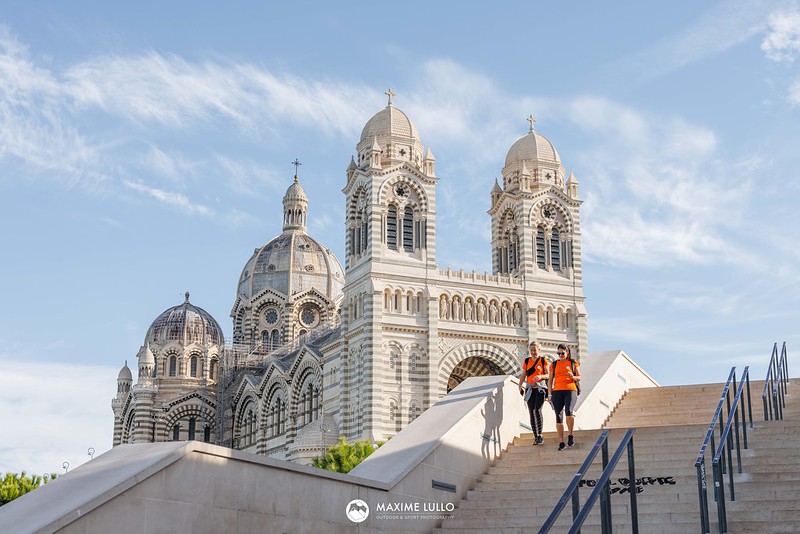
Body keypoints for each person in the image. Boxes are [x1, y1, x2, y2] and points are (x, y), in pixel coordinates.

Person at [547, 344, 580, 451]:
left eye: (562, 353)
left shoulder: (572, 362)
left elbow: (579, 377)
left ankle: (570, 435)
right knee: (558, 416)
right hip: (557, 391)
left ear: (567, 352)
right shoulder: (554, 364)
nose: (560, 355)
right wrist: (549, 393)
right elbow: (550, 380)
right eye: (558, 353)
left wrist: (573, 377)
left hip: (570, 390)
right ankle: (561, 442)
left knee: (569, 412)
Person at [518, 341, 549, 446]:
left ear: (539, 350)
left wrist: (541, 377)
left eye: (535, 350)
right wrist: (520, 385)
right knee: (531, 412)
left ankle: (540, 435)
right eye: (531, 350)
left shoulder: (543, 360)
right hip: (530, 389)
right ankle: (536, 436)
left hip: (540, 389)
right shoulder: (527, 361)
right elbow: (523, 375)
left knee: (537, 410)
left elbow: (548, 374)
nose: (533, 352)